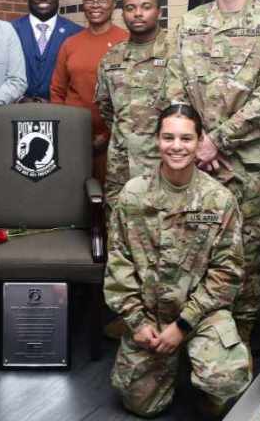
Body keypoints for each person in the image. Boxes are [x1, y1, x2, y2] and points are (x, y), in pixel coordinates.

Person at [166, 0, 260, 344]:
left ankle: (234, 344)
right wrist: (195, 144)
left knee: (247, 253)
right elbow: (175, 89)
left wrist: (215, 141)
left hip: (249, 165)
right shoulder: (190, 23)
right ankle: (195, 336)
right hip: (193, 161)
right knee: (194, 245)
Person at [105, 103, 251, 418]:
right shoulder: (133, 195)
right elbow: (118, 265)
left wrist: (183, 325)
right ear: (157, 140)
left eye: (186, 139)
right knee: (140, 404)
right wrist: (137, 322)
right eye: (168, 137)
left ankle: (200, 367)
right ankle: (170, 364)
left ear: (199, 142)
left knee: (225, 379)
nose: (176, 146)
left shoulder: (219, 200)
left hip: (200, 314)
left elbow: (228, 273)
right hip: (150, 313)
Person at [96, 0, 169, 214]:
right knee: (118, 227)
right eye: (130, 8)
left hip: (165, 163)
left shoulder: (177, 52)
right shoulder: (112, 57)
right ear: (123, 14)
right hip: (121, 165)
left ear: (159, 12)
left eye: (146, 7)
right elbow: (106, 106)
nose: (137, 13)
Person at [51, 0, 128, 183]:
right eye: (89, 0)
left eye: (102, 0)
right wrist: (67, 128)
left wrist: (107, 134)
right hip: (74, 137)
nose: (95, 5)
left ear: (113, 4)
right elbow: (57, 91)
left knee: (107, 199)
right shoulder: (70, 44)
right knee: (73, 195)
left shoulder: (126, 41)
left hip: (114, 140)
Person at [12, 0, 82, 102]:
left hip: (60, 112)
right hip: (17, 111)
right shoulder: (11, 30)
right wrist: (19, 99)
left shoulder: (76, 32)